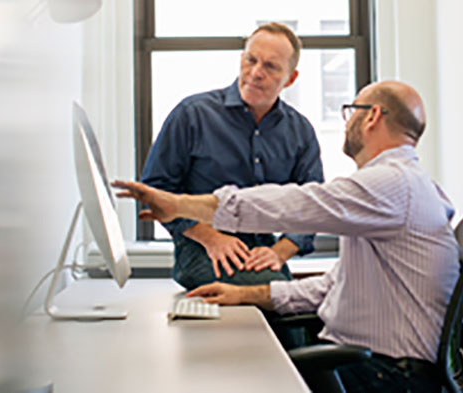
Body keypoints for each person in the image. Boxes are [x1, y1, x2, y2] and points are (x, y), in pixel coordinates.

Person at [114, 80, 461, 393]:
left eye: (350, 111)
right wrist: (245, 294)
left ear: (371, 117)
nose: (347, 122)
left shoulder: (392, 182)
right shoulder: (408, 186)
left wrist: (180, 204)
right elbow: (333, 286)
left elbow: (296, 203)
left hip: (384, 377)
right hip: (383, 369)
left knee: (235, 375)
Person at [141, 22, 324, 290]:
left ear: (291, 78)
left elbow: (312, 205)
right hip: (202, 246)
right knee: (272, 297)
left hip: (264, 251)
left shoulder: (300, 131)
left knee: (296, 303)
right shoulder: (193, 114)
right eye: (251, 60)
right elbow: (154, 192)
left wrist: (280, 251)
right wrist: (212, 239)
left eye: (271, 67)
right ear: (241, 58)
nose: (256, 73)